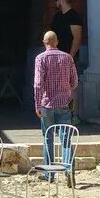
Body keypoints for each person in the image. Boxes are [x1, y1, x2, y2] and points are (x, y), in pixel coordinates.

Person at [33, 29, 77, 175]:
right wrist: (65, 90)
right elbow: (74, 81)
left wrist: (37, 104)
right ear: (57, 42)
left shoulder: (40, 58)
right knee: (66, 140)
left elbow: (38, 83)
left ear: (44, 43)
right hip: (64, 104)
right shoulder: (68, 58)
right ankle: (69, 170)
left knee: (48, 138)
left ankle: (49, 173)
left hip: (47, 104)